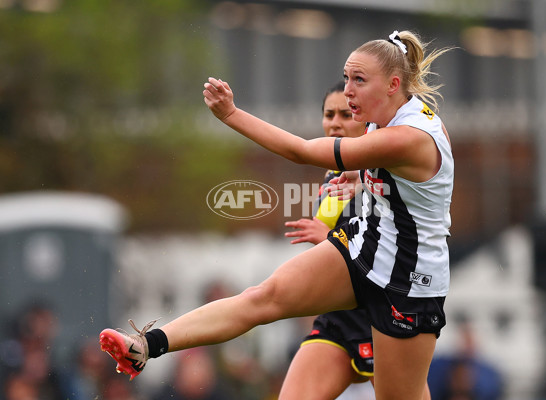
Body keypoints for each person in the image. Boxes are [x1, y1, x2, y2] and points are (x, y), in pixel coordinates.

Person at [99, 30, 453, 400]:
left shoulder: (410, 135)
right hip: (366, 248)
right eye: (346, 78)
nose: (347, 91)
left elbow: (301, 151)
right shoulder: (381, 119)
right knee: (264, 296)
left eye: (358, 80)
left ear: (394, 84)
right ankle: (146, 345)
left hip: (408, 282)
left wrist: (232, 115)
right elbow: (401, 179)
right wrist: (358, 179)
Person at [280, 80, 375, 399]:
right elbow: (329, 235)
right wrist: (326, 237)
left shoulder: (388, 171)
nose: (334, 123)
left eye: (345, 115)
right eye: (328, 114)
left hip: (386, 319)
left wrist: (331, 237)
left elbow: (392, 245)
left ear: (366, 120)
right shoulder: (332, 175)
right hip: (340, 317)